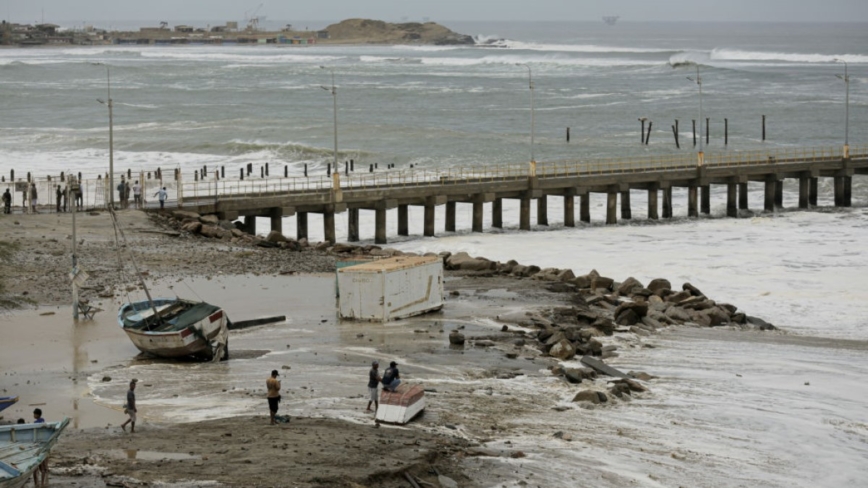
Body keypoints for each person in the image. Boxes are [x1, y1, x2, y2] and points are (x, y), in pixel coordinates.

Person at [32, 408, 48, 486]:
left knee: (35, 468)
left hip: (37, 447)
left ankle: (36, 483)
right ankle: (42, 483)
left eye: (34, 414)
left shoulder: (35, 423)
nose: (33, 415)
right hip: (44, 446)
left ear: (37, 415)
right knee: (43, 468)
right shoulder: (43, 421)